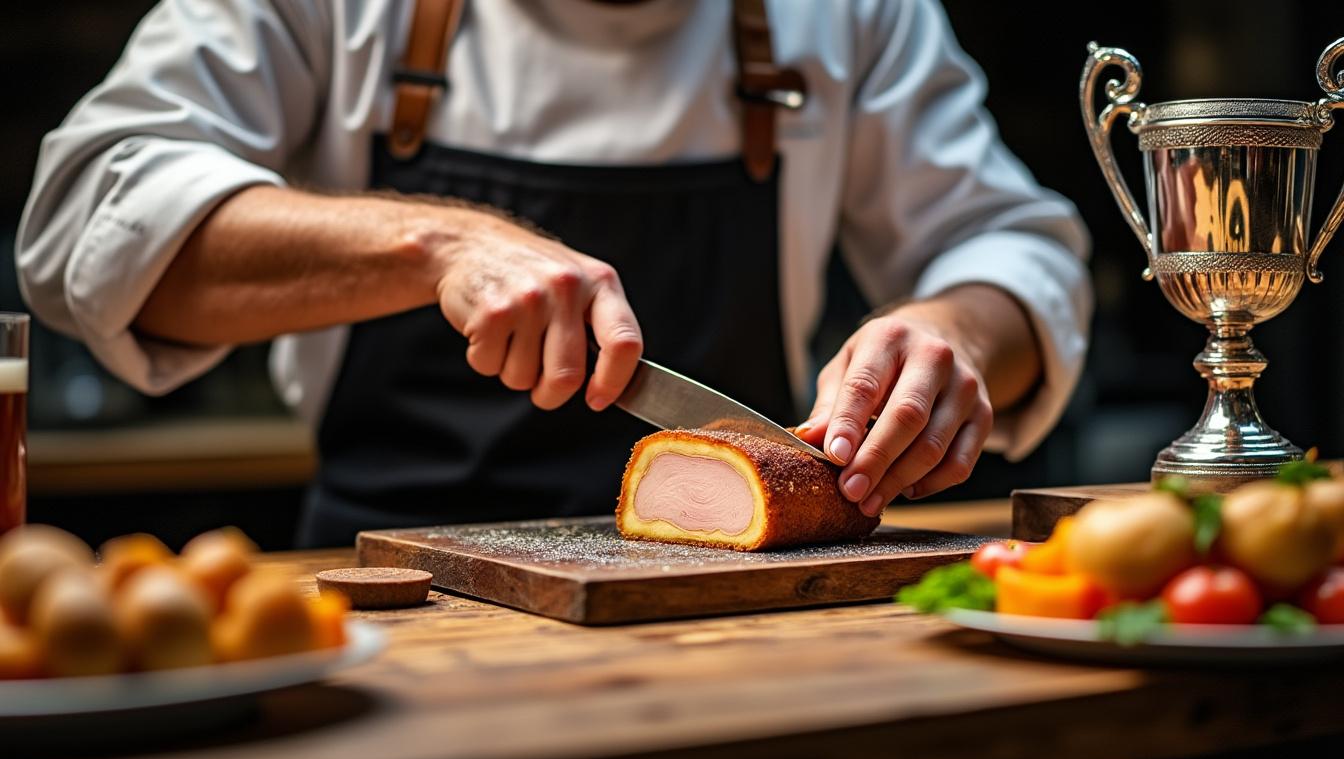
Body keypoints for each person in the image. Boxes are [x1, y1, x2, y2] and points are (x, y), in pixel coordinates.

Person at [16, 0, 1090, 547]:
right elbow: (83, 219)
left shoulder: (851, 14)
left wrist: (954, 327)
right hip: (390, 616)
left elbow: (1012, 247)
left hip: (742, 627)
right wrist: (438, 246)